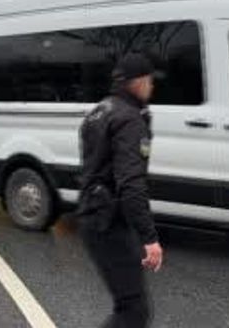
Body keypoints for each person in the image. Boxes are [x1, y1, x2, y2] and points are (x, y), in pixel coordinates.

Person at [78, 54, 162, 328]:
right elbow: (131, 184)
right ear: (138, 82)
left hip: (94, 215)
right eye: (149, 80)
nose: (152, 86)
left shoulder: (100, 111)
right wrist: (150, 238)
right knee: (133, 311)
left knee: (131, 305)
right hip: (108, 222)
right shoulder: (129, 119)